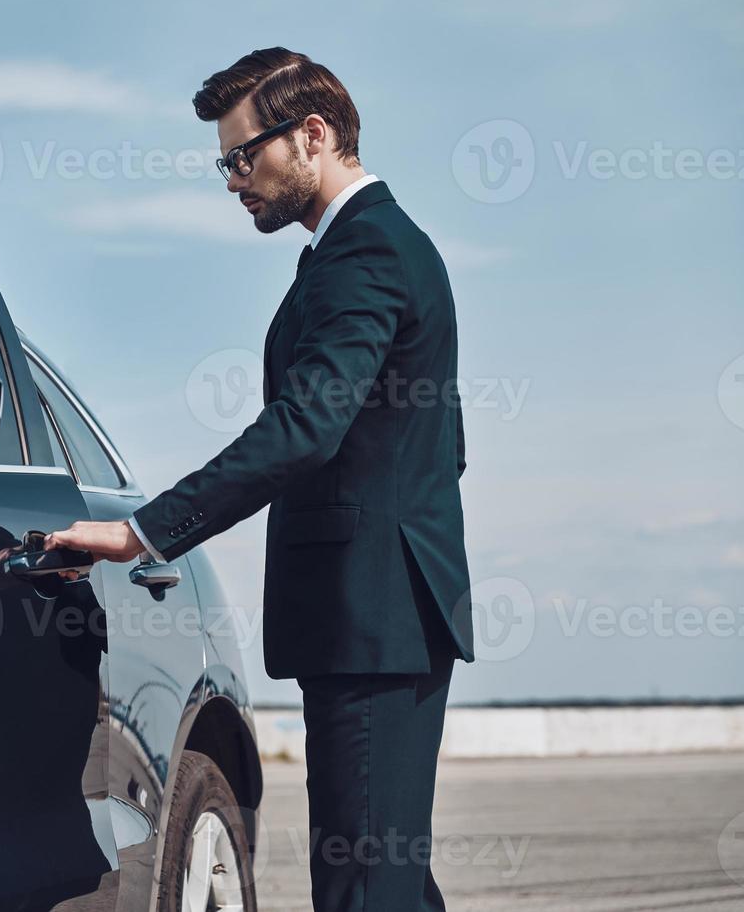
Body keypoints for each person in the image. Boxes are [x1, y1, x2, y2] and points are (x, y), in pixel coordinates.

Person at [44, 47, 476, 912]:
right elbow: (432, 443)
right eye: (223, 162)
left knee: (365, 890)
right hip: (380, 617)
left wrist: (142, 530)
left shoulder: (366, 254)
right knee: (384, 884)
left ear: (311, 135)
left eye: (244, 156)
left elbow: (305, 427)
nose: (232, 179)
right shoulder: (365, 248)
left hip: (371, 620)